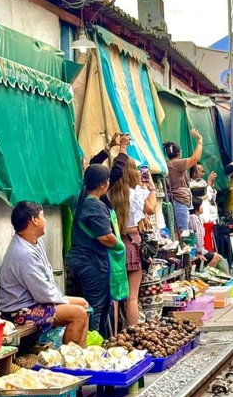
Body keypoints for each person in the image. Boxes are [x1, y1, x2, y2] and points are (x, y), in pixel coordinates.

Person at [0, 202, 89, 346]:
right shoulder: (23, 253)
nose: (44, 221)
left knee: (84, 304)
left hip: (35, 301)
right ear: (34, 220)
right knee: (79, 314)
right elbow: (43, 293)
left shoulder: (35, 242)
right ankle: (69, 359)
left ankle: (81, 355)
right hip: (18, 311)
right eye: (42, 216)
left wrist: (62, 299)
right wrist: (62, 300)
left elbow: (46, 282)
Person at [66, 165, 127, 338]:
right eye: (108, 180)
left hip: (81, 260)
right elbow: (105, 237)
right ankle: (93, 344)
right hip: (91, 262)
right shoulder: (95, 206)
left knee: (97, 304)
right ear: (102, 184)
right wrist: (119, 245)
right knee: (96, 306)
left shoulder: (82, 200)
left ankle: (99, 340)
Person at [111, 159, 157, 326]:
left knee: (115, 297)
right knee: (132, 297)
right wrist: (151, 187)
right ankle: (132, 332)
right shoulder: (136, 193)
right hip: (133, 243)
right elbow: (151, 209)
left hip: (114, 245)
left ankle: (115, 334)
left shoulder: (109, 194)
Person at [164, 129, 203, 233]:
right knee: (182, 233)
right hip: (179, 202)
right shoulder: (176, 163)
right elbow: (195, 158)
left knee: (181, 232)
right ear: (179, 153)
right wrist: (199, 141)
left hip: (177, 201)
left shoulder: (169, 164)